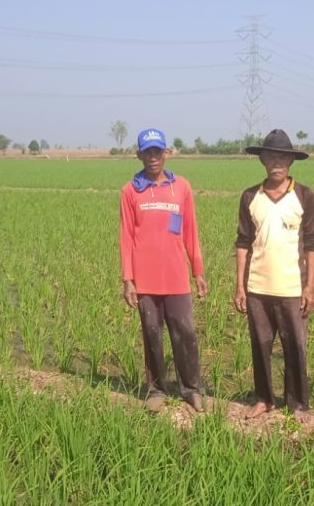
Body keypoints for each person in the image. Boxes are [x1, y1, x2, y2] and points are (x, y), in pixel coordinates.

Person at [119, 128, 209, 413]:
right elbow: (126, 238)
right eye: (147, 152)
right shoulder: (130, 191)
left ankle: (191, 389)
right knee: (152, 334)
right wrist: (128, 279)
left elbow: (190, 232)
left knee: (186, 332)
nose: (153, 157)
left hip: (176, 277)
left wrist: (198, 271)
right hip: (145, 280)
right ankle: (156, 389)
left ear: (166, 153)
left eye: (158, 151)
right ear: (139, 155)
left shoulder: (181, 187)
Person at [233, 129, 314, 421]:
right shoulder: (250, 197)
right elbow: (243, 242)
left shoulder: (304, 195)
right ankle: (263, 399)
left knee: (295, 346)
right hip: (257, 286)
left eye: (283, 156)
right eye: (271, 156)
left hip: (292, 287)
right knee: (260, 345)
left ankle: (297, 404)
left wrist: (309, 287)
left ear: (291, 161)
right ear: (262, 159)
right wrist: (240, 286)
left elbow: (312, 244)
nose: (277, 162)